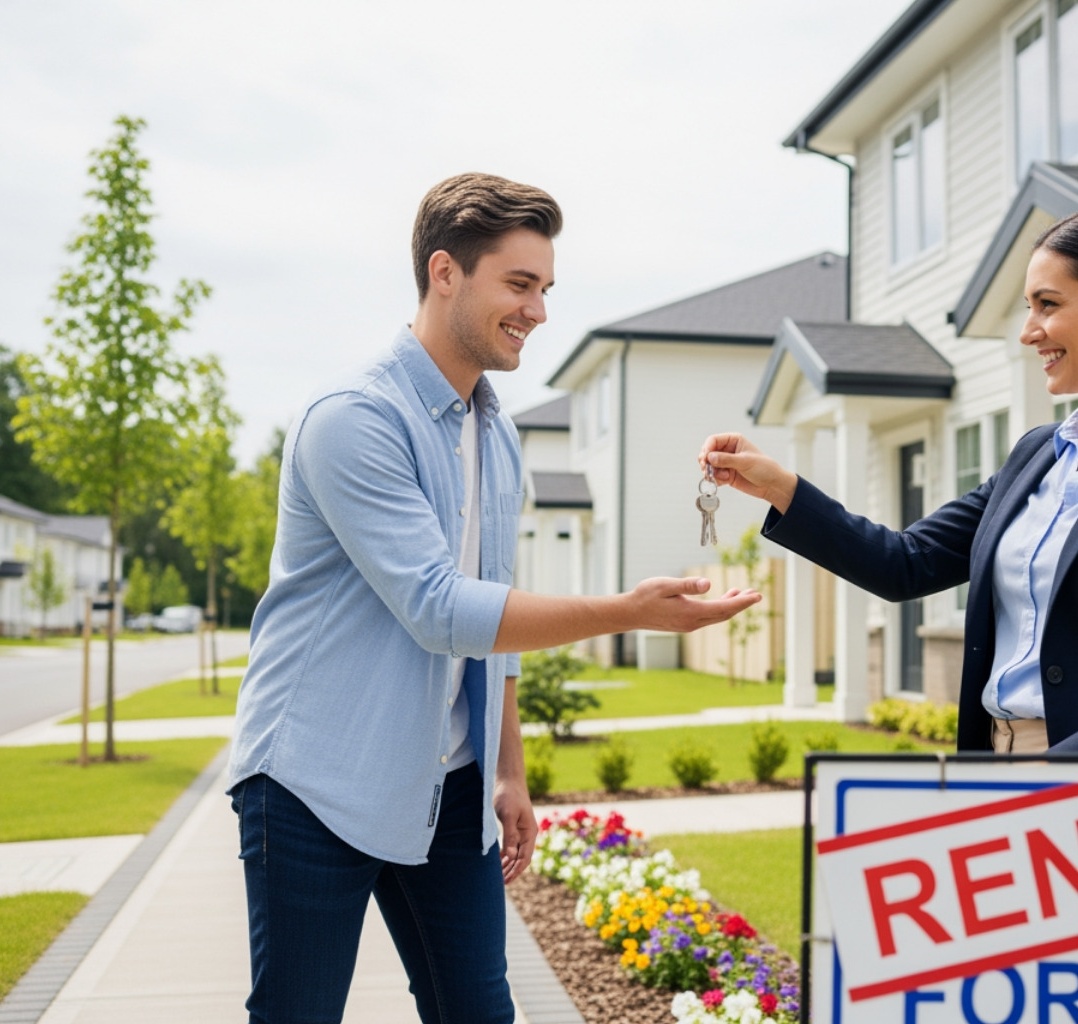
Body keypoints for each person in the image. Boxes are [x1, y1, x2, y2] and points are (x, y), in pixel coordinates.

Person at [225, 172, 762, 1024]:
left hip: (448, 783)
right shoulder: (353, 419)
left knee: (478, 1011)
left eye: (545, 288)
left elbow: (494, 616)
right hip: (314, 784)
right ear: (445, 272)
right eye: (519, 284)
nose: (538, 311)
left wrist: (507, 770)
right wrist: (627, 611)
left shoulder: (496, 431)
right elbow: (442, 609)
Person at [701, 201, 1078, 756]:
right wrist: (778, 487)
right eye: (1028, 307)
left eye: (1048, 304)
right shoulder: (1038, 455)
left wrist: (1073, 765)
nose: (1029, 331)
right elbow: (905, 562)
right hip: (995, 760)